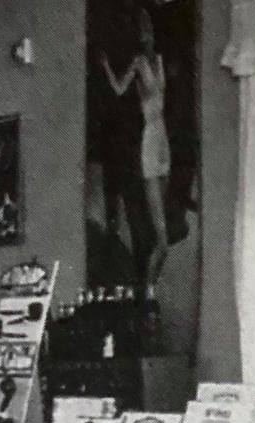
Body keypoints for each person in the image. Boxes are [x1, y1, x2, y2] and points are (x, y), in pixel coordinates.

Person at [99, 10, 172, 286]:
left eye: (149, 29)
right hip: (151, 140)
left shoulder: (158, 60)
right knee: (161, 237)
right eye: (142, 31)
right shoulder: (139, 62)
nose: (147, 35)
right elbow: (119, 89)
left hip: (163, 138)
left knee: (161, 232)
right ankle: (148, 291)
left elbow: (163, 94)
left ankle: (149, 287)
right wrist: (106, 66)